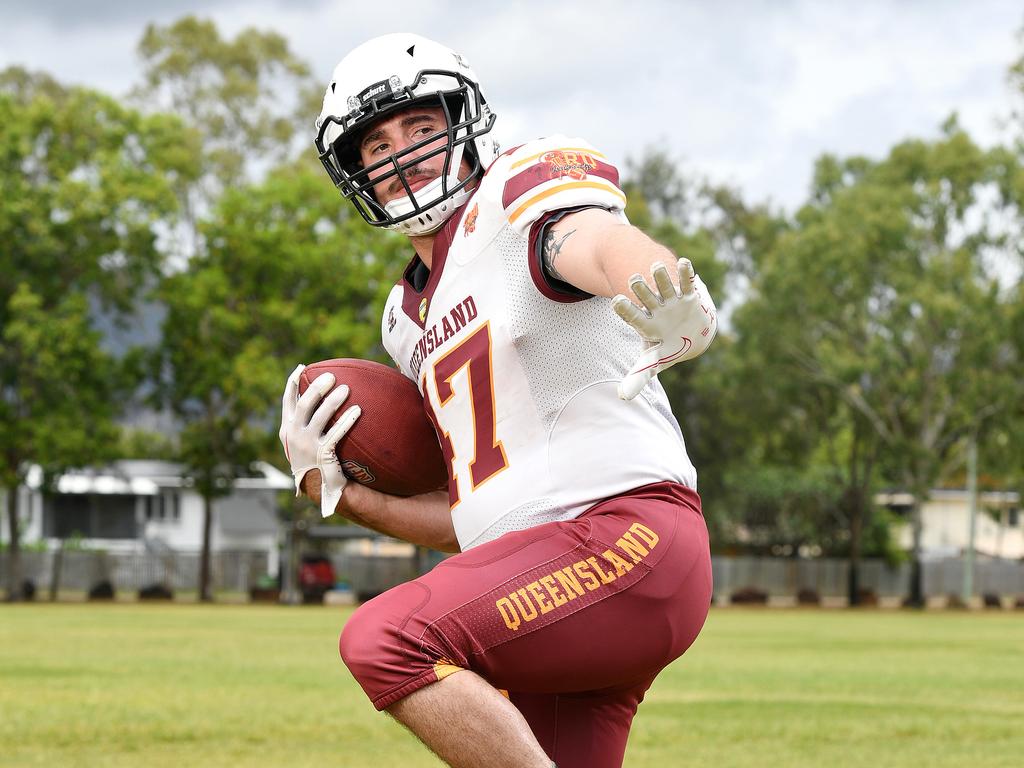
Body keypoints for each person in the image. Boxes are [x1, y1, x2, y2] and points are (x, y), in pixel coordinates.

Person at [279, 32, 717, 768]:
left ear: (463, 123)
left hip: (629, 540)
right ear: (355, 172)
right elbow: (479, 519)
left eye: (420, 127)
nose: (400, 154)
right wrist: (343, 496)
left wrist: (661, 285)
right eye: (375, 143)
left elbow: (596, 242)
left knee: (386, 639)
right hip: (553, 580)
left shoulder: (515, 200)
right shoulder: (407, 319)